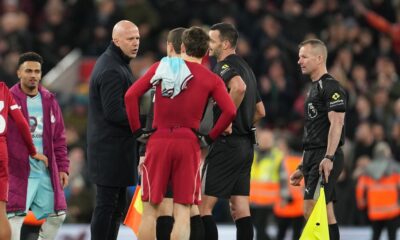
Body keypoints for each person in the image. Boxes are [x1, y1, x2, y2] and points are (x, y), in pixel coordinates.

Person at [125, 26, 236, 240]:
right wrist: (209, 137)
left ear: (182, 46)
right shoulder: (211, 78)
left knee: (150, 211)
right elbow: (230, 111)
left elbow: (131, 95)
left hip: (158, 140)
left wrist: (137, 131)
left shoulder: (162, 66)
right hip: (189, 142)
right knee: (183, 211)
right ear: (206, 52)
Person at [199, 22, 265, 240]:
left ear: (225, 44)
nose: (209, 44)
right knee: (240, 208)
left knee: (203, 208)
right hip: (245, 146)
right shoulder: (248, 68)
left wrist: (228, 118)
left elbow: (238, 87)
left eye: (212, 40)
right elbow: (260, 111)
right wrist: (242, 122)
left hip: (227, 145)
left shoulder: (224, 66)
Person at [139, 27, 204, 240]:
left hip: (161, 143)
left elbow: (150, 112)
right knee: (188, 207)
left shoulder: (162, 71)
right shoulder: (199, 73)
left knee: (156, 207)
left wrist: (140, 143)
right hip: (191, 144)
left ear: (170, 46)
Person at [7, 51, 69, 240]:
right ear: (19, 73)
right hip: (18, 171)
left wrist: (63, 167)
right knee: (14, 219)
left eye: (36, 71)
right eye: (28, 71)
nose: (33, 75)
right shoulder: (7, 100)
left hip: (44, 171)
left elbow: (59, 137)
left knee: (58, 215)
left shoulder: (49, 100)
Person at [87, 20, 140, 240]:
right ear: (116, 40)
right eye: (130, 39)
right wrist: (146, 121)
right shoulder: (111, 69)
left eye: (137, 38)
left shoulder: (116, 63)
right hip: (109, 150)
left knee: (116, 206)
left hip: (115, 148)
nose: (136, 43)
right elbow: (115, 113)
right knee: (107, 205)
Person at [290, 39, 346, 240]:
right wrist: (303, 165)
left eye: (304, 56)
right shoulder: (312, 88)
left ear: (319, 58)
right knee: (327, 213)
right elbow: (312, 131)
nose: (299, 61)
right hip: (314, 156)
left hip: (325, 156)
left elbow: (337, 123)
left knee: (311, 210)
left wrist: (329, 157)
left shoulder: (331, 87)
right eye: (299, 57)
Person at [356, 141, 400, 240]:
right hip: (392, 211)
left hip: (375, 211)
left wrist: (362, 205)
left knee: (375, 236)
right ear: (388, 153)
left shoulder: (367, 169)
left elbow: (360, 189)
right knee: (392, 237)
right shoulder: (395, 168)